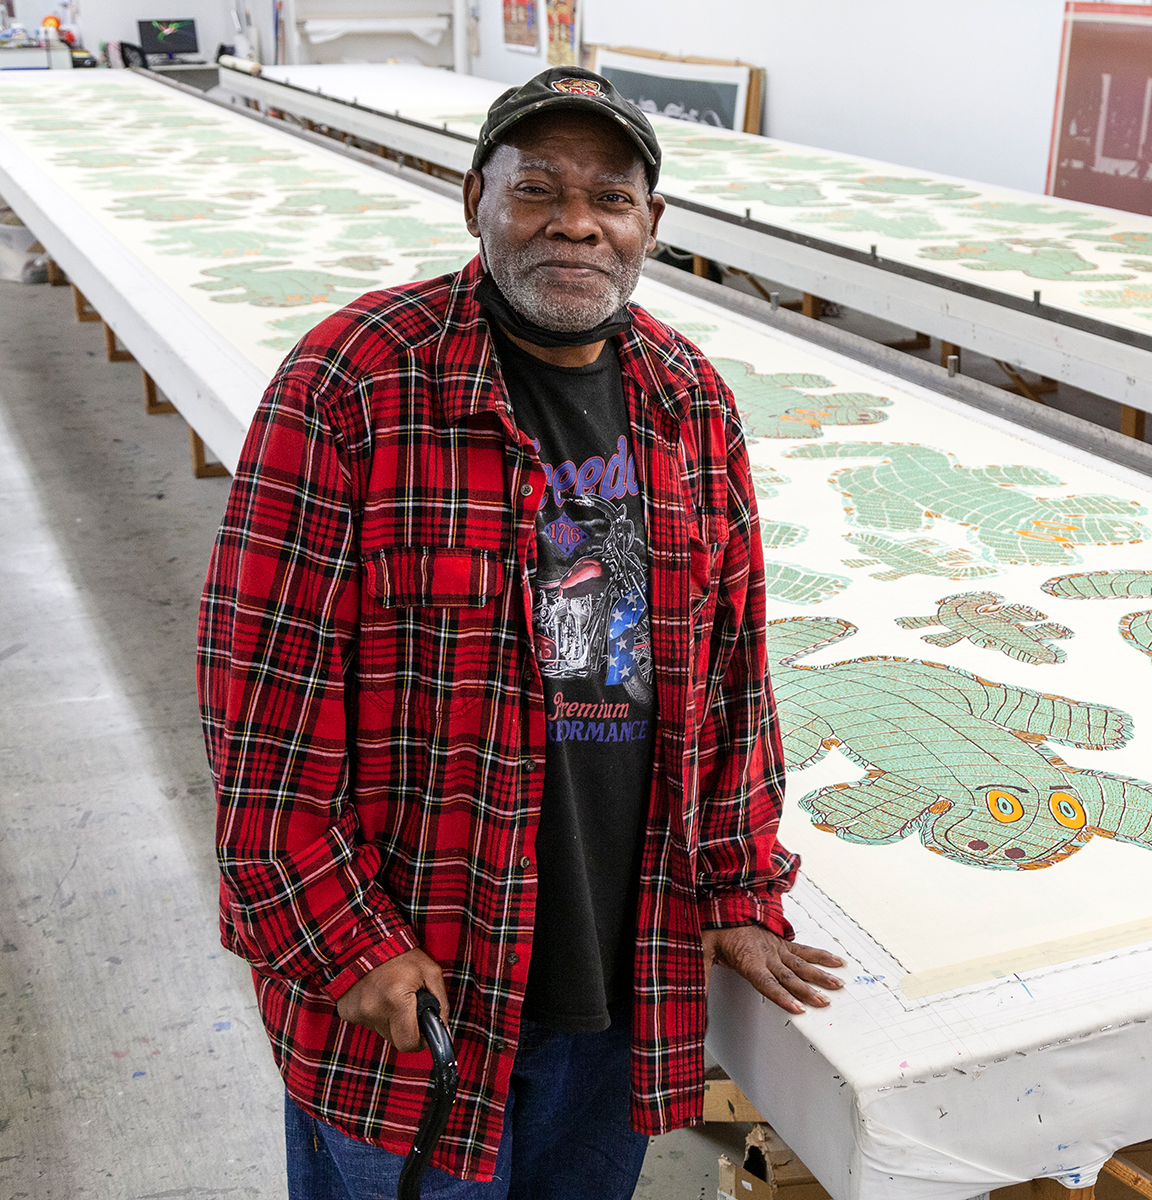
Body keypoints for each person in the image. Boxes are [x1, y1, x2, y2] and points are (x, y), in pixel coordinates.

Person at [197, 66, 843, 1198]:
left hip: (618, 982)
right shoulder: (357, 382)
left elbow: (734, 679)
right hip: (424, 991)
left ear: (652, 225)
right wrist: (346, 940)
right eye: (537, 188)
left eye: (611, 197)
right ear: (474, 201)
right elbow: (258, 705)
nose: (576, 222)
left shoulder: (687, 399)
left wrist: (738, 890)